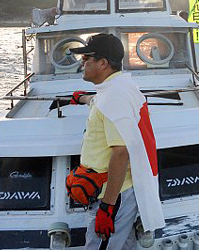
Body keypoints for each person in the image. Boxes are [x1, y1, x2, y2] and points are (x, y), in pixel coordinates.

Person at [69, 33, 164, 249]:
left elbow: (121, 153)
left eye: (86, 59)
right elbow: (100, 101)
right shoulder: (118, 86)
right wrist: (82, 98)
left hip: (112, 195)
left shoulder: (114, 96)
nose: (81, 63)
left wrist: (107, 207)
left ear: (102, 63)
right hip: (119, 192)